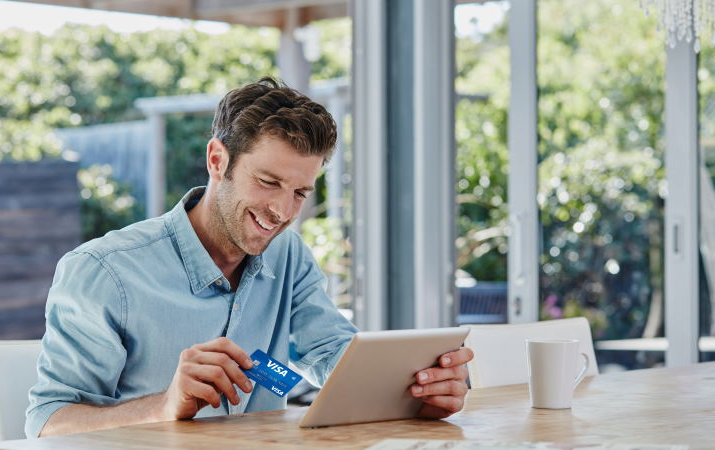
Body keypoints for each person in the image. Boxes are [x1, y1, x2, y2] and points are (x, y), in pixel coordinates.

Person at [26, 77, 474, 438]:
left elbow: (331, 352)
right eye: (267, 181)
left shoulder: (288, 256)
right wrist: (164, 407)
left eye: (300, 192)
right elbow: (47, 426)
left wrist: (417, 390)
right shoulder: (104, 272)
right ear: (218, 160)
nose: (282, 212)